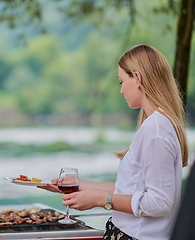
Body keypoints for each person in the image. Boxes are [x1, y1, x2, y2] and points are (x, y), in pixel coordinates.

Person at [41, 44, 189, 240]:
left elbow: (159, 203)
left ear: (138, 78)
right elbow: (130, 189)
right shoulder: (154, 124)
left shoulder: (156, 130)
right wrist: (79, 185)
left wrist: (100, 199)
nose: (121, 90)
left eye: (121, 81)